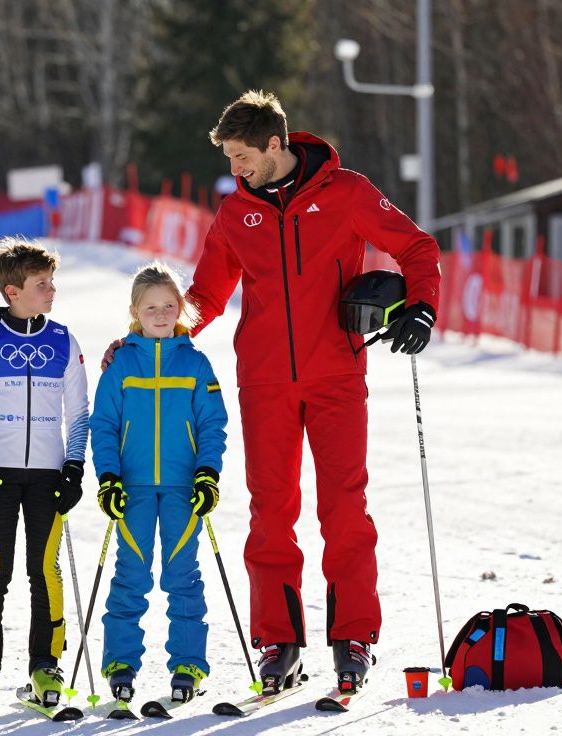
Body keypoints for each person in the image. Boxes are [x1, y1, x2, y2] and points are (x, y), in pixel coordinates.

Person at [188, 90, 442, 695]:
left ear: (276, 145)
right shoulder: (234, 215)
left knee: (344, 508)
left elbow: (418, 247)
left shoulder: (347, 192)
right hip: (266, 380)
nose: (234, 170)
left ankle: (353, 637)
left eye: (242, 156)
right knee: (270, 511)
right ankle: (279, 642)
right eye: (229, 159)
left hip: (336, 374)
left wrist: (422, 307)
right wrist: (155, 335)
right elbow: (206, 296)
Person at [0, 238, 90, 710]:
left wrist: (73, 467)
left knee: (44, 569)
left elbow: (80, 413)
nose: (51, 291)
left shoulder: (63, 340)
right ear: (12, 291)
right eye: (42, 284)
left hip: (48, 475)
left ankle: (45, 664)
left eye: (52, 283)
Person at [90, 263, 228, 704]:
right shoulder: (121, 362)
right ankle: (120, 662)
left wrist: (208, 472)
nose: (162, 313)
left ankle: (188, 663)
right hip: (131, 490)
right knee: (130, 576)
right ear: (135, 311)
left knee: (182, 577)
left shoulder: (195, 361)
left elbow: (213, 424)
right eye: (151, 307)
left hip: (182, 489)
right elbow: (104, 424)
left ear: (181, 307)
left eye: (170, 305)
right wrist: (108, 477)